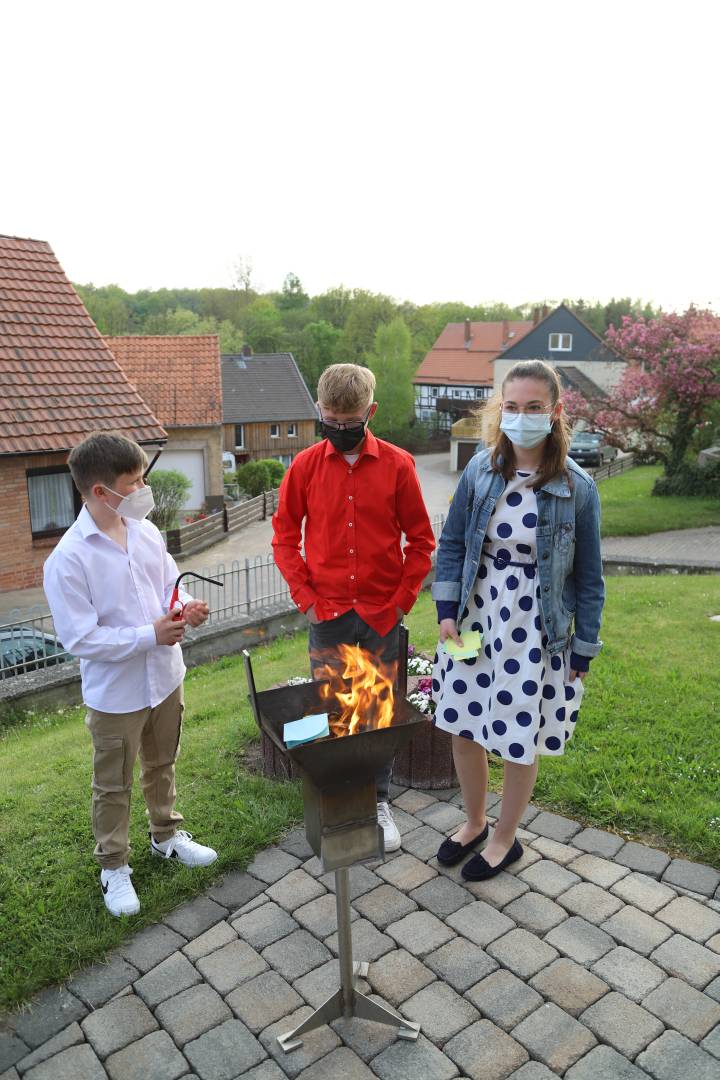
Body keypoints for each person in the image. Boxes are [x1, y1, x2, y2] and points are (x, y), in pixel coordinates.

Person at [431, 360, 604, 880]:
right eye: (511, 407)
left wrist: (584, 647)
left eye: (533, 408)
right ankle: (475, 822)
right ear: (499, 409)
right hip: (478, 612)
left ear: (554, 412)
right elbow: (454, 542)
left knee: (517, 732)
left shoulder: (578, 489)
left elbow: (590, 578)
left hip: (535, 625)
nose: (521, 417)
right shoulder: (480, 470)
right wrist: (445, 612)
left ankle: (505, 839)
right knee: (463, 726)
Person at [43, 432, 218, 917]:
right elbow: (80, 640)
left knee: (163, 764)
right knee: (113, 784)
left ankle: (166, 835)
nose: (144, 487)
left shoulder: (145, 530)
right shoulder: (68, 559)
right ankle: (113, 867)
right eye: (134, 480)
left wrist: (186, 608)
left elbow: (168, 587)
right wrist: (150, 635)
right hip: (116, 696)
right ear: (99, 491)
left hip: (164, 678)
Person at [272, 363, 436, 851]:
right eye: (332, 421)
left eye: (351, 422)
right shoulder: (303, 468)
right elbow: (284, 538)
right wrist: (307, 599)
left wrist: (399, 602)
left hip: (381, 616)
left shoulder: (399, 466)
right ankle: (342, 799)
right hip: (328, 615)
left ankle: (379, 801)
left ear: (371, 412)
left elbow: (422, 542)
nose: (341, 430)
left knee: (376, 713)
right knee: (334, 710)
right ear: (319, 411)